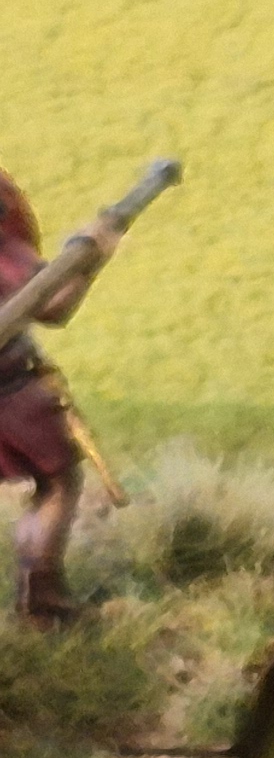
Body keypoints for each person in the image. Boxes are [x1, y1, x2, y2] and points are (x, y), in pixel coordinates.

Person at [0, 171, 149, 623]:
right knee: (57, 481)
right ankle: (42, 602)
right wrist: (93, 257)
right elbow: (53, 305)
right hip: (9, 393)